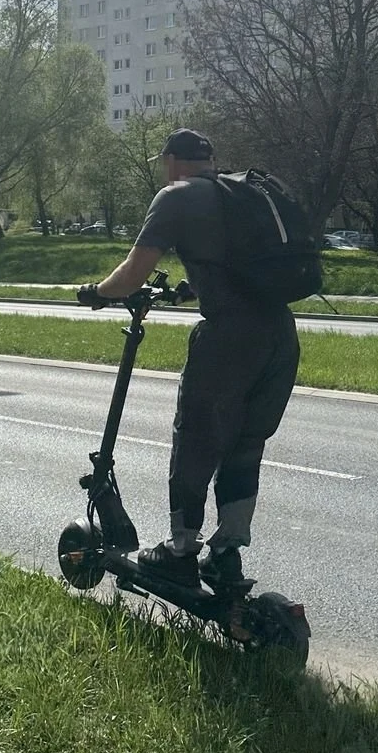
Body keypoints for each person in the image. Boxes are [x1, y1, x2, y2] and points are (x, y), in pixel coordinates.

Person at [77, 128, 300, 588]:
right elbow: (237, 265)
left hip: (229, 342)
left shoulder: (176, 196)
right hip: (280, 336)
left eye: (164, 164)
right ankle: (227, 551)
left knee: (196, 439)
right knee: (244, 444)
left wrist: (96, 293)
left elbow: (133, 272)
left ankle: (179, 551)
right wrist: (190, 289)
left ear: (173, 162)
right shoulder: (240, 193)